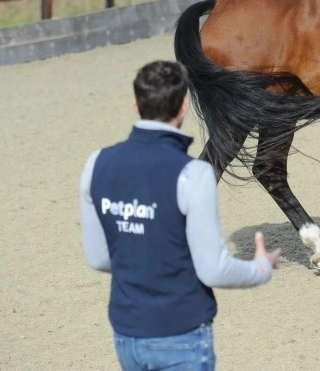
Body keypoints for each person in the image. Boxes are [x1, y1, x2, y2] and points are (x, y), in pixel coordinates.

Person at [80, 60, 281, 371]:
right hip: (181, 335)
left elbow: (99, 258)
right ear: (185, 105)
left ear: (135, 103)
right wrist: (260, 268)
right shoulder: (193, 174)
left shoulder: (96, 163)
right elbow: (212, 271)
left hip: (127, 335)